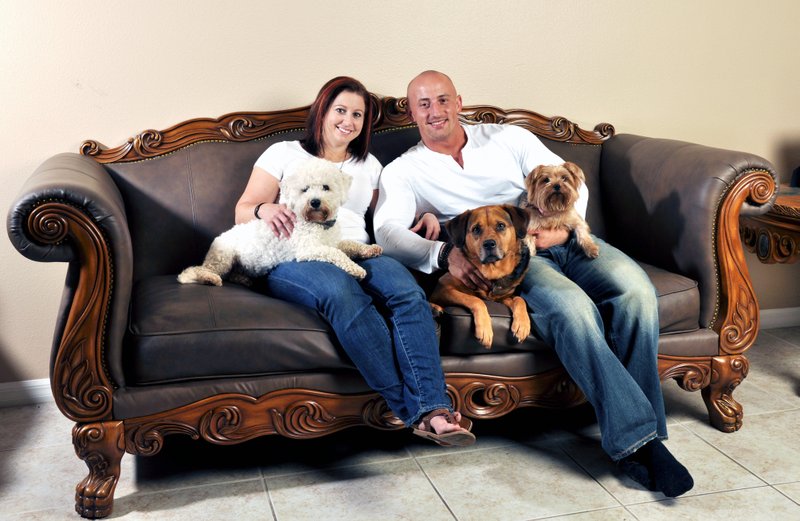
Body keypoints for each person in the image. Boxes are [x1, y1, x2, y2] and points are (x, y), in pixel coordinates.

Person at [374, 70, 694, 496]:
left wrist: (563, 229)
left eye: (443, 99)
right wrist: (443, 254)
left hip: (568, 237)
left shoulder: (506, 137)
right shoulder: (405, 169)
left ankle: (644, 436)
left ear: (459, 101)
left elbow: (567, 179)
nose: (436, 110)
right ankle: (641, 445)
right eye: (424, 104)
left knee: (637, 293)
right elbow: (386, 231)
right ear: (411, 112)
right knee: (573, 311)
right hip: (515, 259)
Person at [235, 76, 474, 446]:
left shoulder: (370, 165)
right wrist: (265, 208)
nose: (348, 121)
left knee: (407, 293)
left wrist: (423, 219)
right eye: (341, 110)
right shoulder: (283, 154)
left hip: (355, 247)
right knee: (342, 293)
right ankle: (421, 413)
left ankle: (434, 410)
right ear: (323, 111)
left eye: (358, 115)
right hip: (295, 253)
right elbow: (242, 210)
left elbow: (386, 220)